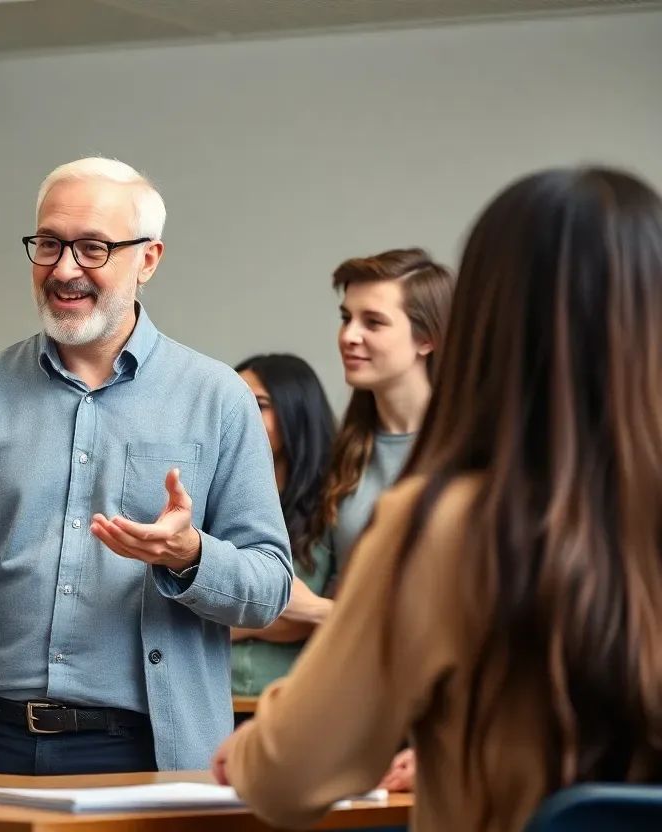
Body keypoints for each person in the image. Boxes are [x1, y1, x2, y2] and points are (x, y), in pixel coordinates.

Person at [214, 166, 662, 832]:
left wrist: (254, 751)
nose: (351, 336)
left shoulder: (440, 525)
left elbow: (287, 774)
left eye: (374, 320)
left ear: (480, 319)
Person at [0, 157, 293, 775]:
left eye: (94, 248)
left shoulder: (217, 398)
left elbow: (270, 586)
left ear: (148, 259)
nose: (65, 268)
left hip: (144, 750)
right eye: (48, 244)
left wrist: (190, 556)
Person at [271, 249, 454, 640]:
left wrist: (319, 611)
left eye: (373, 322)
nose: (349, 336)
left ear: (427, 339)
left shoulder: (471, 451)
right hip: (359, 683)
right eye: (346, 318)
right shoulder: (347, 453)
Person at [228, 354, 335, 697]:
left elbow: (325, 618)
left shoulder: (334, 506)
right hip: (216, 702)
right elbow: (186, 616)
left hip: (298, 706)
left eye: (259, 404)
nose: (243, 415)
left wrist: (232, 615)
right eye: (235, 402)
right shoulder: (209, 500)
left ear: (296, 412)